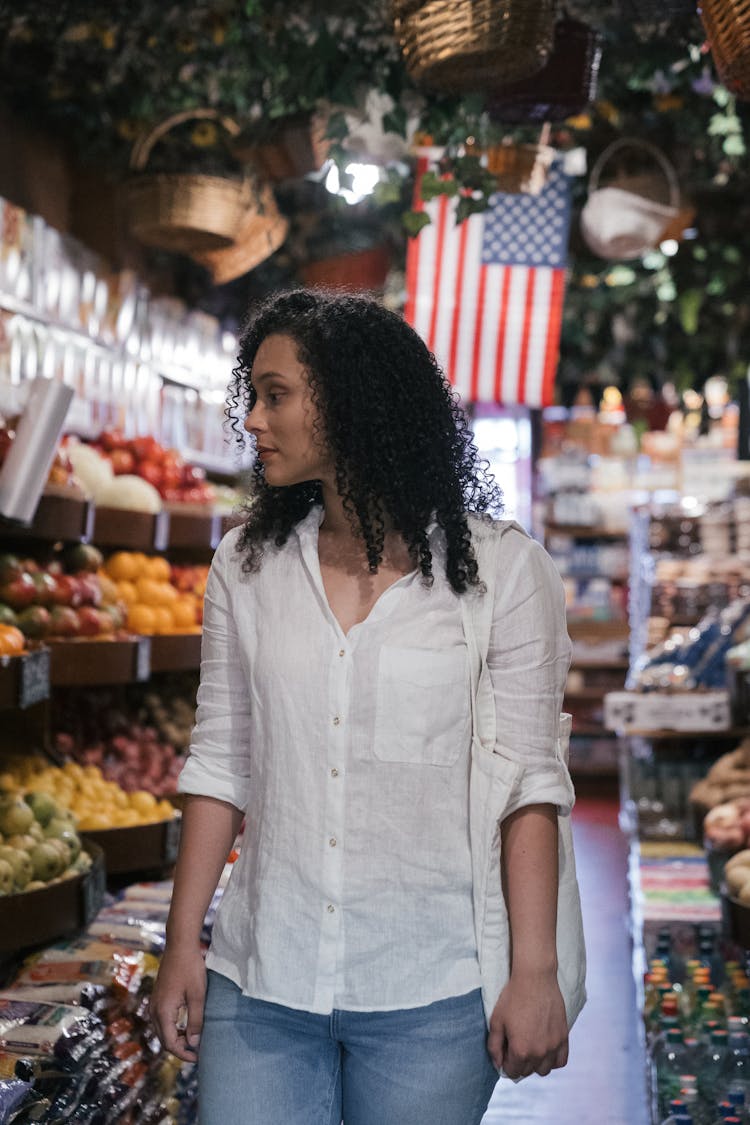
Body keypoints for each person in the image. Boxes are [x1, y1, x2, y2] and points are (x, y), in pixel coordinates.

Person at [150, 288, 581, 1125]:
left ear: (349, 401)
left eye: (276, 395)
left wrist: (535, 971)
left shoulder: (502, 573)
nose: (255, 420)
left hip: (432, 987)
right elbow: (221, 757)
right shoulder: (246, 565)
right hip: (262, 978)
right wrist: (181, 942)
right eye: (256, 396)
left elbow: (528, 782)